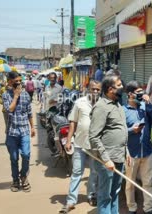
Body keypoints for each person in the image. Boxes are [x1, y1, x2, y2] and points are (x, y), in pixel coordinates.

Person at [59, 80, 102, 213]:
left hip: (95, 145)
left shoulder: (103, 104)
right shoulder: (80, 102)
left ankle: (91, 195)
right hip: (79, 144)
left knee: (94, 172)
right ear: (88, 89)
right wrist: (68, 140)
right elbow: (73, 122)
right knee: (77, 171)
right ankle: (71, 200)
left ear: (100, 90)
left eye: (97, 89)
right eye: (92, 89)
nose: (95, 91)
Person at [89, 74, 127, 214]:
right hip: (107, 160)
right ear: (110, 89)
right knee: (105, 196)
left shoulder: (117, 104)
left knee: (115, 192)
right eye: (119, 85)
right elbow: (94, 137)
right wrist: (106, 159)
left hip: (119, 157)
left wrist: (126, 152)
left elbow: (120, 130)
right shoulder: (101, 107)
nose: (122, 87)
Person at [123, 81, 152, 214]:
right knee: (130, 183)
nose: (141, 95)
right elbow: (120, 133)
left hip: (147, 152)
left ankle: (149, 208)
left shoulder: (145, 107)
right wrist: (132, 130)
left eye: (142, 92)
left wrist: (149, 104)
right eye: (138, 93)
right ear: (130, 94)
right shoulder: (123, 111)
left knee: (148, 182)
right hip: (131, 154)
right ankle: (132, 208)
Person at [2, 71, 36, 192]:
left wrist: (32, 127)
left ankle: (24, 177)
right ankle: (15, 180)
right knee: (14, 158)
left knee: (26, 155)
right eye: (16, 81)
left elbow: (29, 113)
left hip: (24, 131)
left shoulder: (26, 95)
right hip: (11, 132)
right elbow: (9, 110)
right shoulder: (6, 95)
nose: (19, 83)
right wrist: (15, 96)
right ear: (10, 82)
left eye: (20, 81)